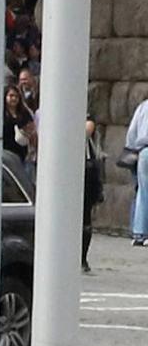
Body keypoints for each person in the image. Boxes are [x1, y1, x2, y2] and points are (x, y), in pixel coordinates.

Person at [125, 94, 148, 246]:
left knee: (142, 191)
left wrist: (130, 149)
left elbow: (132, 132)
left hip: (143, 152)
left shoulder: (143, 106)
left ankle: (139, 232)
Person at [83, 117, 104, 272]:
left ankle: (82, 258)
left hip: (87, 173)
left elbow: (88, 129)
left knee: (85, 219)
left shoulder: (87, 121)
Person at [2, 85, 35, 164]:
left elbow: (31, 129)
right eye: (11, 96)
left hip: (21, 153)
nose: (14, 98)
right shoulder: (1, 114)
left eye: (16, 96)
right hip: (5, 152)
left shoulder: (24, 113)